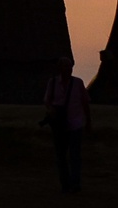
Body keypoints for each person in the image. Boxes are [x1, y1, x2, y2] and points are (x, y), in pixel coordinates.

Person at [42, 56, 91, 194]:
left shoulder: (78, 83)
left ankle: (75, 184)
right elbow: (47, 100)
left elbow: (85, 103)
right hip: (59, 125)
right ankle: (65, 184)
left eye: (69, 67)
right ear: (59, 68)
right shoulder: (52, 83)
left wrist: (88, 121)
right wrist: (51, 110)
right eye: (65, 67)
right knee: (61, 156)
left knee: (75, 155)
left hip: (75, 123)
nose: (68, 70)